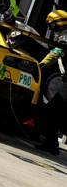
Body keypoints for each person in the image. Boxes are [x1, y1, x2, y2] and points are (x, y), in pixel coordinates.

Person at [35, 10, 67, 155]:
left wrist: (41, 65)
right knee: (54, 113)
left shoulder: (65, 38)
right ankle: (52, 145)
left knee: (51, 112)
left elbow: (56, 52)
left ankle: (51, 145)